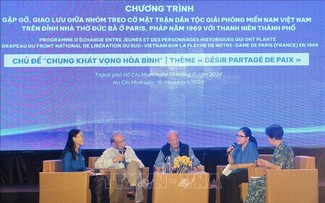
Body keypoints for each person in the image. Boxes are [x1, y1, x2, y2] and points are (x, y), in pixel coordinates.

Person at [245, 124, 294, 203]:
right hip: (276, 176)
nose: (267, 139)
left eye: (268, 136)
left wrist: (266, 163)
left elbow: (278, 168)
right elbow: (276, 166)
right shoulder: (279, 147)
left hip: (283, 178)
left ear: (274, 138)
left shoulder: (283, 148)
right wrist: (263, 164)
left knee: (254, 183)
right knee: (254, 181)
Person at [94, 131, 145, 202]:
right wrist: (113, 160)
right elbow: (96, 165)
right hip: (119, 174)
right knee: (138, 176)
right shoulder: (108, 152)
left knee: (133, 164)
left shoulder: (129, 150)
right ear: (113, 144)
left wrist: (129, 162)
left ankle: (133, 187)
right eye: (121, 142)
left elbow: (141, 164)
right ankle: (136, 193)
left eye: (124, 140)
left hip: (131, 173)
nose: (124, 143)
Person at [61, 128, 109, 203]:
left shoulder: (80, 152)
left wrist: (90, 170)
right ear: (74, 138)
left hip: (83, 177)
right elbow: (66, 171)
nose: (83, 138)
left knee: (103, 178)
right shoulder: (68, 153)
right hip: (74, 179)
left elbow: (82, 168)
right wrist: (83, 173)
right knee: (99, 180)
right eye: (81, 136)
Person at [220, 127, 259, 203]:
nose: (238, 138)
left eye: (241, 136)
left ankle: (235, 201)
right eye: (237, 136)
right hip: (237, 172)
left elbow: (253, 164)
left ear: (247, 138)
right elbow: (232, 163)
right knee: (223, 178)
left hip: (248, 172)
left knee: (232, 177)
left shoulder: (251, 146)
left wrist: (238, 166)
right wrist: (230, 154)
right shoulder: (237, 147)